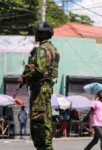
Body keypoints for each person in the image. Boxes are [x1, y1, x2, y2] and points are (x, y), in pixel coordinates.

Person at [17, 22, 60, 150]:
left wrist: (25, 77)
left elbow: (40, 70)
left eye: (37, 32)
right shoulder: (53, 48)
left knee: (39, 121)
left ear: (43, 33)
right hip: (46, 88)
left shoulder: (42, 49)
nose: (35, 34)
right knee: (45, 120)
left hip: (39, 89)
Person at [84, 85, 102, 150]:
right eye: (101, 92)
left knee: (95, 140)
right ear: (98, 94)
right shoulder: (94, 103)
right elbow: (90, 114)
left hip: (101, 124)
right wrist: (90, 127)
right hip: (96, 124)